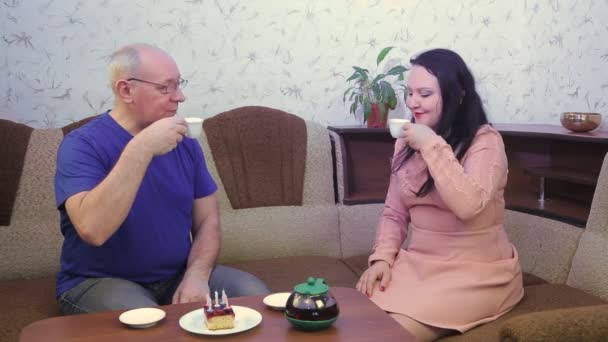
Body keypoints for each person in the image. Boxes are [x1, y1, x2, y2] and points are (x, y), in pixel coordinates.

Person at [54, 43, 270, 315]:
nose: (179, 96)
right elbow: (93, 230)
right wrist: (142, 147)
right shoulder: (81, 145)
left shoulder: (185, 142)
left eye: (178, 84)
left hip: (176, 276)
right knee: (147, 322)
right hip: (99, 281)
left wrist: (197, 275)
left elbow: (207, 220)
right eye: (165, 87)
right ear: (126, 90)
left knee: (254, 296)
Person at [356, 48, 524, 341]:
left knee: (387, 334)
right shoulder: (407, 143)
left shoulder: (485, 142)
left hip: (476, 274)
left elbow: (469, 206)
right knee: (354, 319)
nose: (413, 103)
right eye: (410, 93)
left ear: (458, 94)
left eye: (424, 93)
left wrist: (431, 145)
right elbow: (394, 213)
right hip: (421, 266)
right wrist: (382, 259)